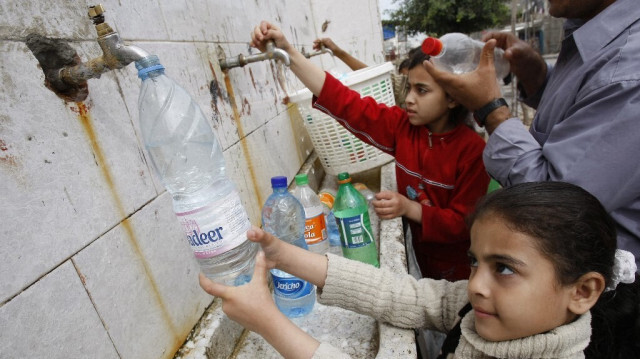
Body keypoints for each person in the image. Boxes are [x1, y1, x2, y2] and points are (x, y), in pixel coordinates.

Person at [200, 181, 640, 358]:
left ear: (581, 292)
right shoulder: (482, 310)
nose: (476, 285)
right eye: (474, 261)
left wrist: (268, 321)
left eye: (503, 268)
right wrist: (286, 255)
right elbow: (402, 295)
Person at [255, 21, 490, 281]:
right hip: (421, 256)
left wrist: (410, 208)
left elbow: (463, 223)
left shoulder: (473, 151)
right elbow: (345, 102)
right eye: (409, 87)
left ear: (453, 97)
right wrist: (289, 54)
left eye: (422, 90)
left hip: (460, 269)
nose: (410, 98)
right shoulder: (403, 127)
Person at [422, 0, 640, 269]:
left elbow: (557, 206)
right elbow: (582, 107)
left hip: (603, 290)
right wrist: (538, 77)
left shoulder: (628, 72)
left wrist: (491, 110)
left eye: (422, 90)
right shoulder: (596, 41)